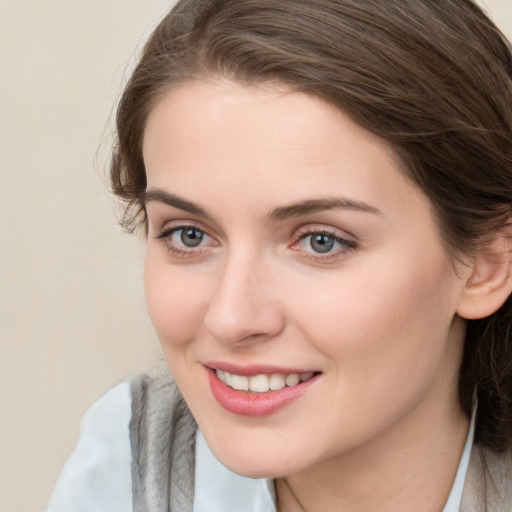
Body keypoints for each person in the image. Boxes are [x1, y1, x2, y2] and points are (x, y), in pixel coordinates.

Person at [47, 0, 512, 511]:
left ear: (488, 264)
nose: (231, 318)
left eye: (321, 241)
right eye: (189, 235)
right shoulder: (131, 460)